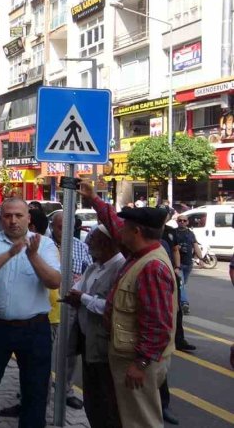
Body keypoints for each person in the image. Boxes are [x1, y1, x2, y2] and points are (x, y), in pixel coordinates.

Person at [79, 183, 177, 428]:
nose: (119, 231)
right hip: (127, 356)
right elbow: (114, 224)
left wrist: (140, 363)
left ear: (136, 231)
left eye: (125, 228)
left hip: (138, 362)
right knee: (125, 417)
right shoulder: (140, 253)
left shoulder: (151, 266)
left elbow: (157, 323)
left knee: (139, 420)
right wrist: (94, 199)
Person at [0, 198, 61, 428]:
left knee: (35, 388)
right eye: (8, 216)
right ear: (1, 218)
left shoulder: (44, 244)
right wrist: (11, 253)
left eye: (19, 215)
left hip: (34, 329)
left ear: (28, 218)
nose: (13, 221)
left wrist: (33, 257)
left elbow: (54, 281)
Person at [64, 224, 125, 428]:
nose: (88, 243)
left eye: (93, 239)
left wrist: (83, 299)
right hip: (88, 341)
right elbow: (77, 288)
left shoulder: (120, 268)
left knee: (106, 399)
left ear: (107, 243)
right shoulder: (94, 266)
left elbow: (113, 307)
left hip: (104, 347)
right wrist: (75, 296)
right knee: (92, 399)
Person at [50, 210, 93, 409]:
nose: (64, 231)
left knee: (69, 351)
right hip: (48, 305)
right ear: (52, 227)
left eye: (69, 227)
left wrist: (81, 279)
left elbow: (90, 271)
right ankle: (38, 388)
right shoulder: (44, 244)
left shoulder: (81, 246)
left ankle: (66, 389)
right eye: (60, 227)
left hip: (70, 304)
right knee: (43, 351)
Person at [173, 216, 197, 315]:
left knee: (182, 284)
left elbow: (195, 245)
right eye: (180, 220)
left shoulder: (190, 233)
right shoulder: (173, 232)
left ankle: (177, 300)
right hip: (178, 264)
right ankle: (184, 303)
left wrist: (201, 258)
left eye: (184, 220)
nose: (182, 222)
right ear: (177, 222)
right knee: (181, 284)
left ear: (187, 222)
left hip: (188, 264)